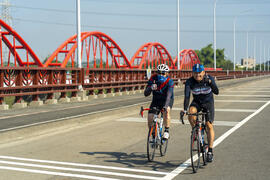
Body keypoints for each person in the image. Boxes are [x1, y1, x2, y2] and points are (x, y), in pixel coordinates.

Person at [181, 63, 219, 162]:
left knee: (209, 125)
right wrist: (184, 109)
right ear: (192, 73)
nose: (197, 75)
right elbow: (187, 96)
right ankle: (195, 130)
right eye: (195, 73)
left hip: (208, 103)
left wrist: (210, 82)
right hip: (197, 102)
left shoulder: (209, 78)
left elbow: (216, 91)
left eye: (199, 73)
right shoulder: (190, 82)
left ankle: (210, 151)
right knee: (191, 112)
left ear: (203, 72)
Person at [144, 64, 174, 139]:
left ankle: (166, 131)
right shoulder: (153, 78)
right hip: (156, 100)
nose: (161, 75)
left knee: (166, 111)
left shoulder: (169, 81)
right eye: (159, 73)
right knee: (150, 118)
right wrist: (150, 88)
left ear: (167, 73)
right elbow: (146, 94)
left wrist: (165, 106)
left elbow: (169, 95)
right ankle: (154, 134)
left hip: (166, 100)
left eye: (163, 73)